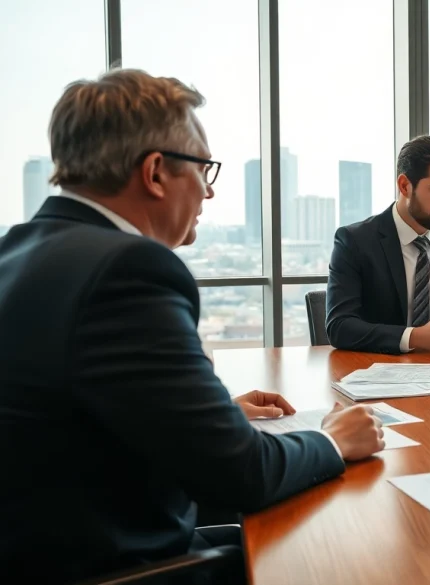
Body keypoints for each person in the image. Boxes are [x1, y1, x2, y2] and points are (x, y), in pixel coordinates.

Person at [0, 69, 385, 584]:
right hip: (126, 562)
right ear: (156, 172)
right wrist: (333, 440)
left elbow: (66, 415)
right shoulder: (127, 270)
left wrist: (210, 418)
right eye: (204, 169)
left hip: (52, 544)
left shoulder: (19, 251)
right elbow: (242, 477)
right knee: (352, 550)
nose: (208, 191)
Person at [326, 135, 430, 355]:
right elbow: (339, 327)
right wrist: (414, 337)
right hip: (375, 374)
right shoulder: (354, 241)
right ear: (405, 186)